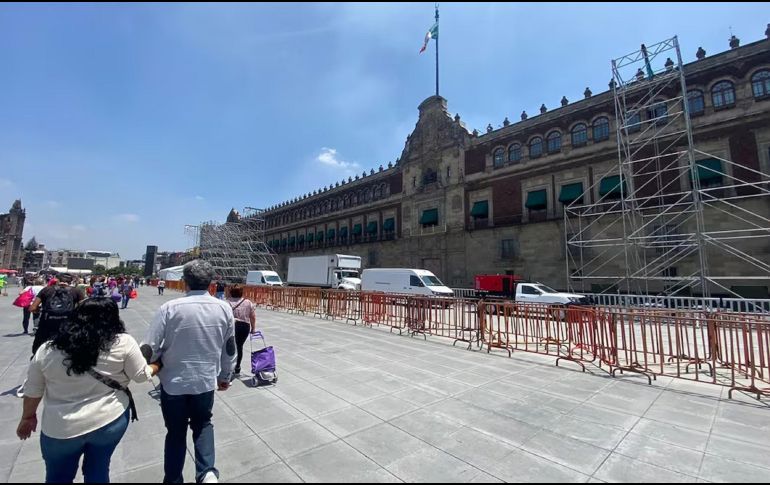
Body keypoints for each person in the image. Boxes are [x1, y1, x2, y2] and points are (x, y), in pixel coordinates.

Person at [16, 298, 160, 484]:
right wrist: (157, 365)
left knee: (57, 476)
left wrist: (27, 417)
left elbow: (33, 390)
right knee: (98, 469)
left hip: (60, 427)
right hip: (108, 420)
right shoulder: (123, 342)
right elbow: (141, 376)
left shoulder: (48, 348)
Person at [141, 260, 236, 484]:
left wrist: (148, 365)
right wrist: (225, 376)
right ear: (211, 283)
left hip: (173, 384)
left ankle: (173, 479)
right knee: (203, 424)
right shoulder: (223, 308)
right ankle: (207, 473)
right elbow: (229, 348)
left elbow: (149, 346)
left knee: (175, 433)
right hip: (204, 382)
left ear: (185, 282)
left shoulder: (169, 308)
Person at [29, 274, 83, 357]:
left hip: (47, 324)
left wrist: (39, 311)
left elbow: (32, 308)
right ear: (71, 281)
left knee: (37, 349)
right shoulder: (76, 291)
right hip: (67, 325)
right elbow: (83, 308)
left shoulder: (46, 290)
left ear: (57, 280)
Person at [226, 285, 257, 376]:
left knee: (230, 347)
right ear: (241, 292)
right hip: (244, 327)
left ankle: (229, 367)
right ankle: (237, 367)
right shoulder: (248, 302)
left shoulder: (227, 303)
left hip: (232, 326)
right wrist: (253, 328)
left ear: (231, 292)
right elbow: (253, 316)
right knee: (239, 346)